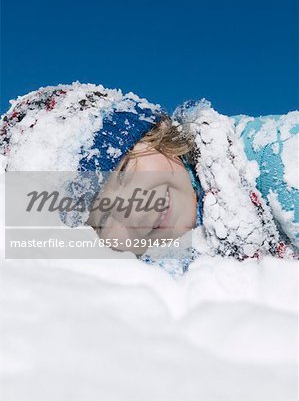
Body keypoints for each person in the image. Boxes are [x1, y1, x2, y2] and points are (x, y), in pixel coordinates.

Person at [0, 82, 298, 276]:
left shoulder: (274, 159)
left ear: (156, 134)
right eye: (103, 218)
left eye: (123, 172)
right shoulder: (152, 267)